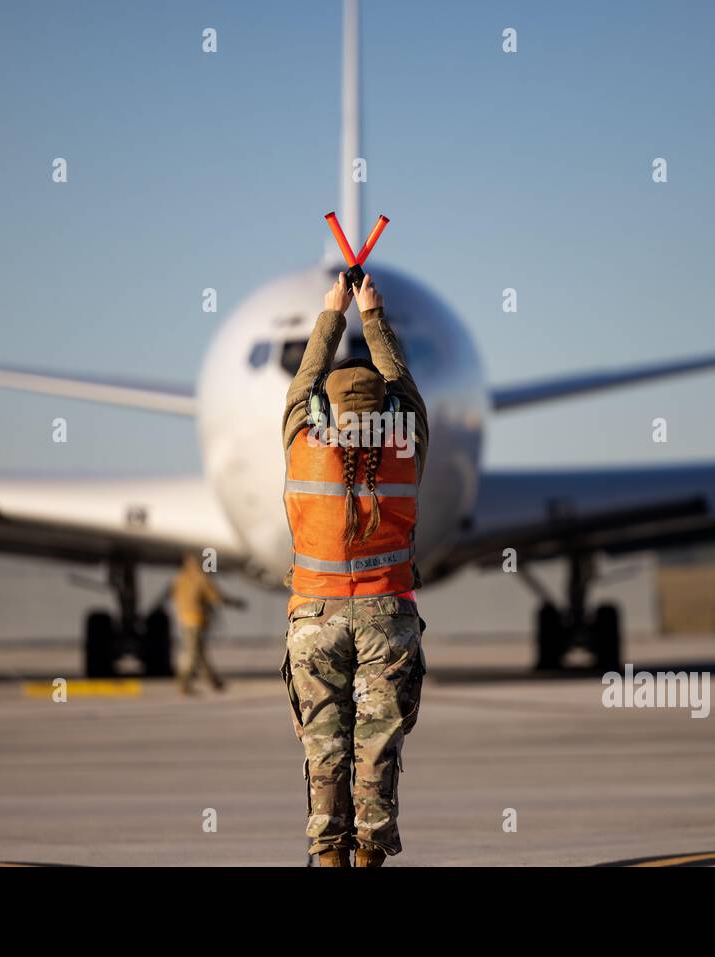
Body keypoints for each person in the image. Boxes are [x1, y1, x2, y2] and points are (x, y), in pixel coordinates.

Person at [279, 272, 430, 867]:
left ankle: (328, 855)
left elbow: (301, 387)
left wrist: (333, 313)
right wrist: (376, 317)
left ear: (325, 410)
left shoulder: (303, 443)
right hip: (388, 615)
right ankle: (370, 856)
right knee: (378, 746)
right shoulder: (404, 447)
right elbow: (405, 389)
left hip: (314, 618)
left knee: (324, 746)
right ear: (386, 411)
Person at [170, 552, 246, 695]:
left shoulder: (180, 578)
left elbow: (173, 595)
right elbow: (216, 597)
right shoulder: (201, 578)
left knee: (199, 652)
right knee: (193, 652)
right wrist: (236, 603)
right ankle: (185, 684)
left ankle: (213, 681)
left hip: (184, 618)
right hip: (196, 619)